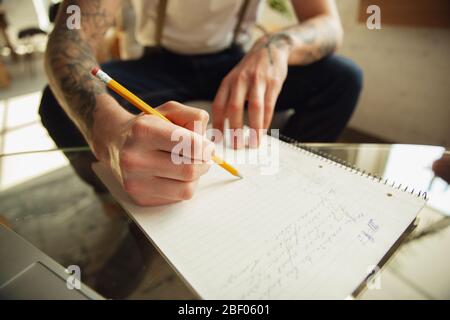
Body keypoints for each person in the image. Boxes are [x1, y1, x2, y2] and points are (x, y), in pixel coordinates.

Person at [40, 0, 363, 206]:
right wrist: (109, 131)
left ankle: (288, 177)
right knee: (57, 105)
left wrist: (277, 44)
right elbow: (70, 39)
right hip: (158, 64)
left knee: (342, 78)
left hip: (233, 60)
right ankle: (109, 194)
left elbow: (328, 22)